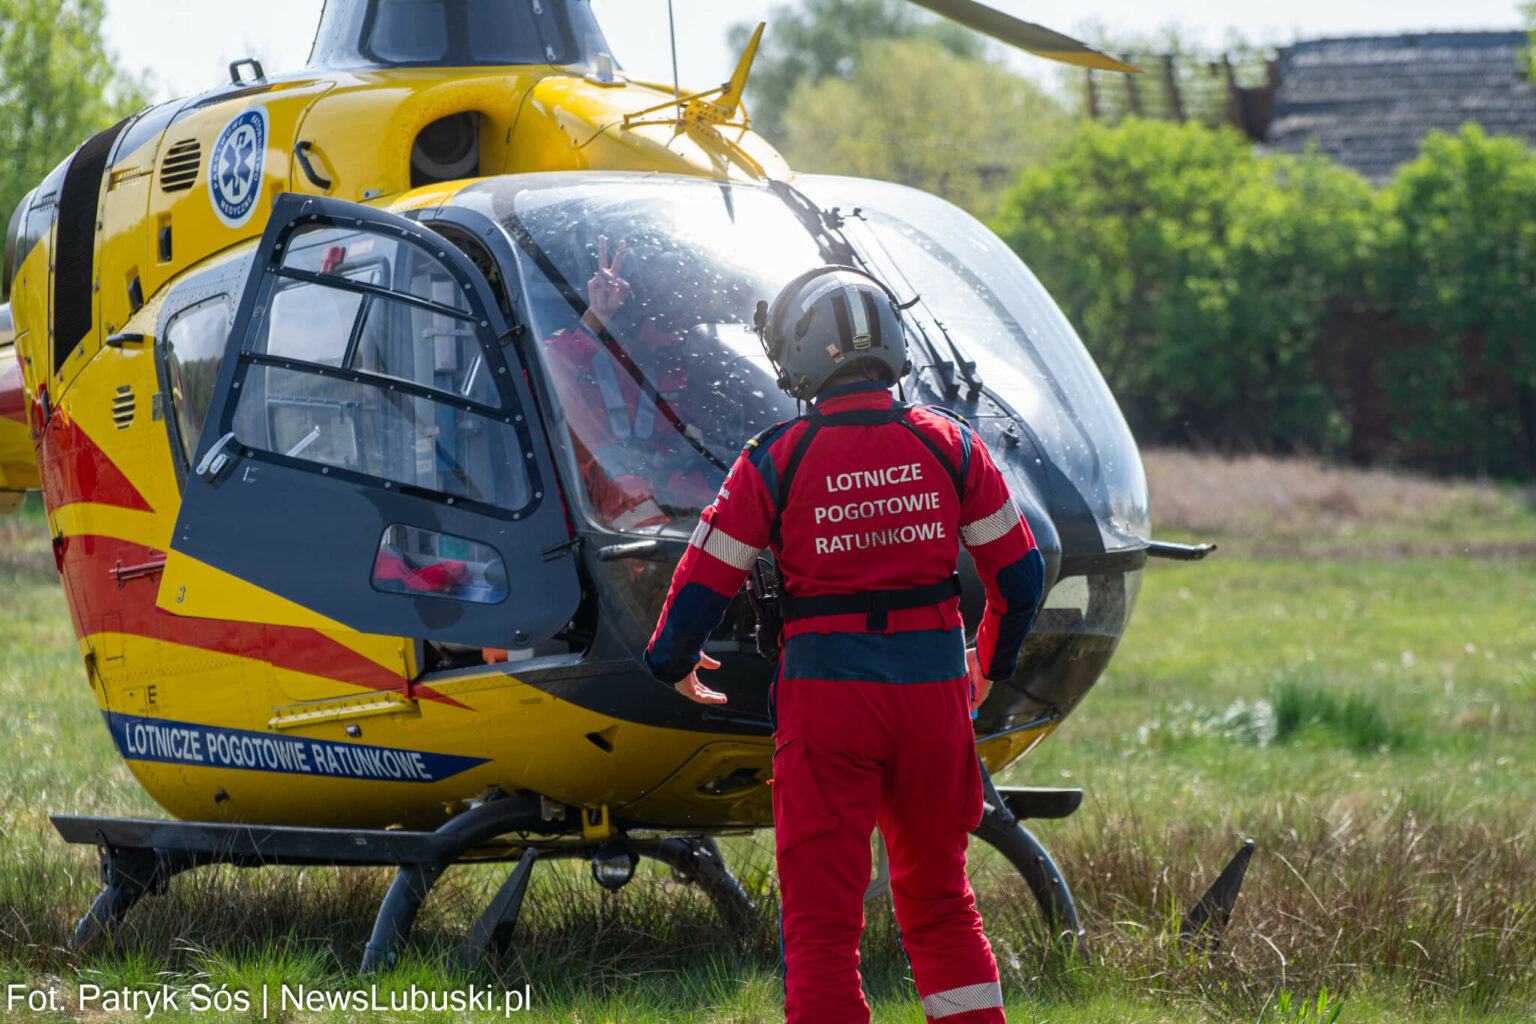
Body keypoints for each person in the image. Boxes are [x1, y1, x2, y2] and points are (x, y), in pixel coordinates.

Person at [643, 267, 1045, 1024]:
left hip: (827, 704)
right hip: (933, 702)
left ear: (802, 355)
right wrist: (987, 662)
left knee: (823, 927)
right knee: (941, 904)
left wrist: (671, 661)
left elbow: (705, 576)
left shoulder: (777, 458)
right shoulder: (952, 447)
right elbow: (1020, 579)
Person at [541, 234, 715, 531]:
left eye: (684, 325)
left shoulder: (683, 367)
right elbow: (547, 368)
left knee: (733, 508)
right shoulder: (587, 359)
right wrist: (597, 316)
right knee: (640, 512)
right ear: (636, 321)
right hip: (611, 496)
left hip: (670, 483)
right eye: (667, 324)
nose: (677, 336)